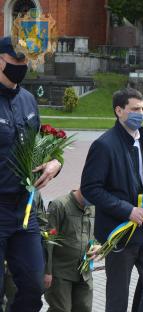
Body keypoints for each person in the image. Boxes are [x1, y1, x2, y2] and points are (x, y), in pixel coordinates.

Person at [81, 88, 143, 312]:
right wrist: (127, 210)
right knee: (118, 298)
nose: (141, 113)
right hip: (119, 231)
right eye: (135, 109)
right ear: (119, 111)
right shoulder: (104, 145)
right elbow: (90, 189)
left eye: (142, 109)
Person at [0, 36, 62, 312]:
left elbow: (40, 148)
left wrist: (54, 163)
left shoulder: (27, 101)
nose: (22, 67)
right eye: (16, 61)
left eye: (25, 61)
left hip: (24, 211)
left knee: (34, 286)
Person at [44, 188, 99, 312]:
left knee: (84, 308)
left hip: (84, 273)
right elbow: (47, 242)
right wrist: (47, 272)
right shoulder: (59, 205)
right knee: (61, 309)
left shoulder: (93, 206)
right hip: (61, 274)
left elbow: (97, 234)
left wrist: (98, 246)